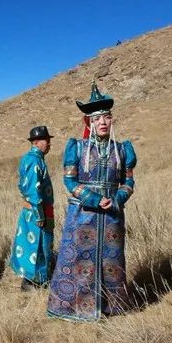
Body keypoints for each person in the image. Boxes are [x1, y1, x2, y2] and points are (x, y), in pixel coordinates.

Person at [47, 81, 137, 321]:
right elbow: (70, 182)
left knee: (112, 260)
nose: (103, 122)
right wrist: (94, 199)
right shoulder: (76, 148)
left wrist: (116, 198)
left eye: (106, 117)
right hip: (83, 214)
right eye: (97, 119)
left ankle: (111, 307)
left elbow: (129, 183)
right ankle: (72, 308)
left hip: (112, 216)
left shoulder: (123, 150)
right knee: (76, 259)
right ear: (88, 122)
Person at [9, 125, 56, 291]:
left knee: (40, 246)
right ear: (36, 142)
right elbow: (32, 191)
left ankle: (37, 281)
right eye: (46, 141)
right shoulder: (33, 161)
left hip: (41, 210)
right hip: (37, 211)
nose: (49, 144)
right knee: (36, 246)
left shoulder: (35, 159)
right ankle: (32, 283)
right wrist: (39, 215)